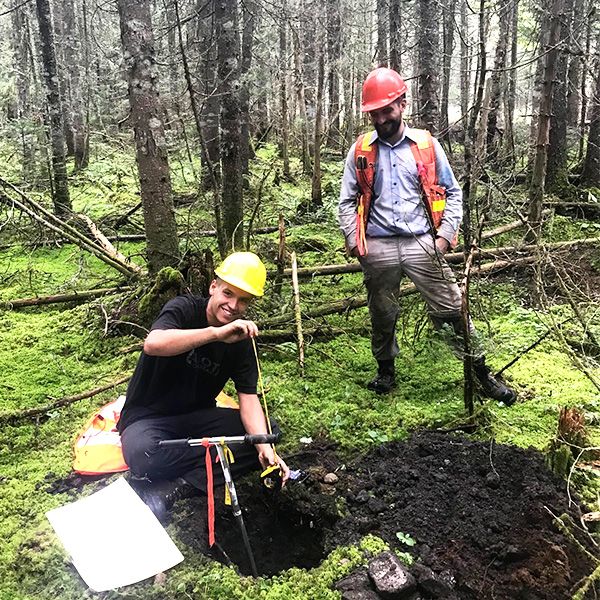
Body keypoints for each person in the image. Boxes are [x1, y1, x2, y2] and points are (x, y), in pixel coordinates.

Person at [338, 67, 516, 404]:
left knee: (452, 307)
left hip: (423, 242)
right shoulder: (360, 150)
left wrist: (445, 238)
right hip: (378, 245)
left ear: (402, 104)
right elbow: (347, 199)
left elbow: (452, 192)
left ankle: (481, 374)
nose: (380, 118)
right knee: (382, 312)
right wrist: (355, 240)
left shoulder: (426, 145)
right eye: (374, 112)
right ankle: (385, 371)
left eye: (386, 110)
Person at [118, 251, 289, 518]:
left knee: (267, 433)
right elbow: (153, 344)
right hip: (149, 420)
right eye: (228, 294)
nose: (233, 305)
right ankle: (204, 466)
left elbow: (248, 397)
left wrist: (265, 450)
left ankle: (179, 486)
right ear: (213, 287)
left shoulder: (241, 340)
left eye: (243, 301)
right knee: (141, 453)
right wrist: (216, 335)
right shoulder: (183, 308)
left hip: (198, 420)